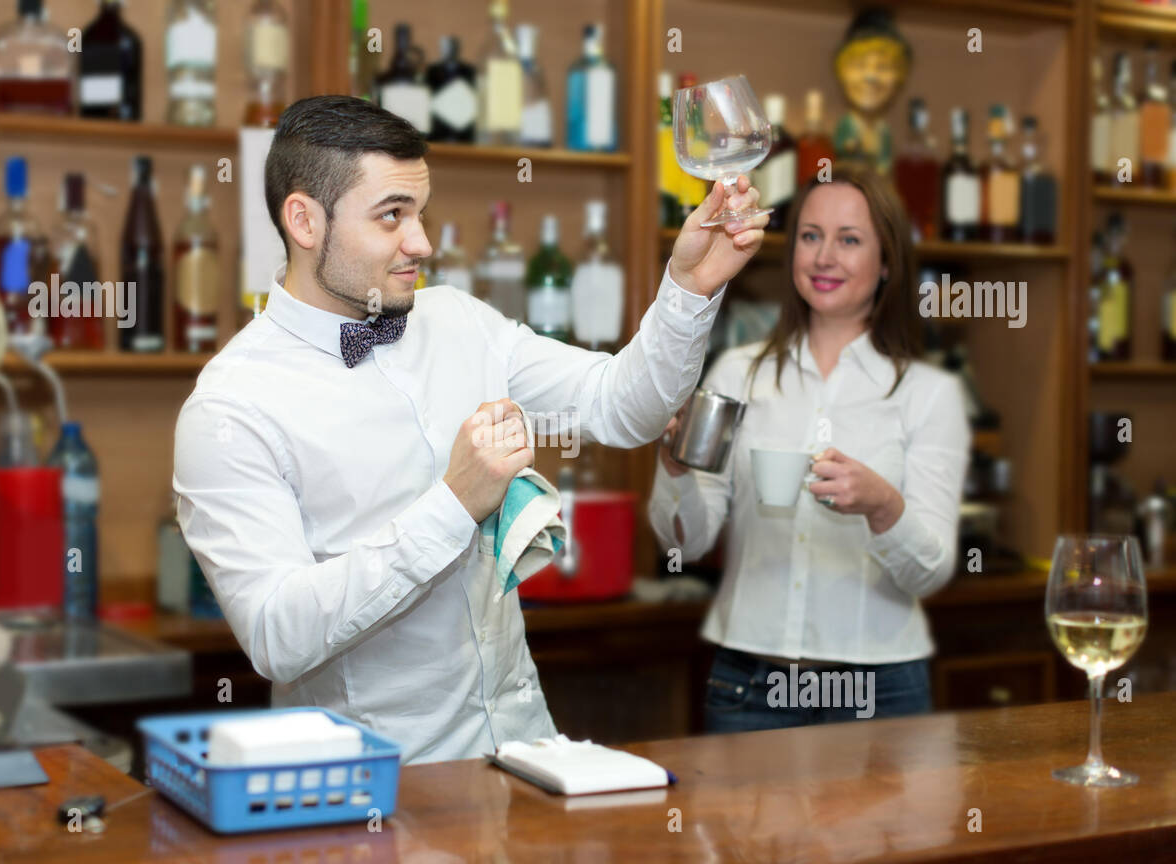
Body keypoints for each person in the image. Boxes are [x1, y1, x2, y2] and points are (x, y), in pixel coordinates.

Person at [172, 95, 768, 763]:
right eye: (391, 216)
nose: (422, 243)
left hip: (528, 757)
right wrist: (455, 504)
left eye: (420, 213)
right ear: (304, 220)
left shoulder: (457, 320)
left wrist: (687, 288)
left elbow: (623, 407)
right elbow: (277, 634)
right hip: (379, 788)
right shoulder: (230, 409)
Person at [649, 163, 970, 733]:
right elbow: (687, 543)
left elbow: (932, 573)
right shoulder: (736, 373)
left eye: (849, 240)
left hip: (882, 692)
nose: (825, 257)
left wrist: (883, 506)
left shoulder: (930, 395)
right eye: (810, 236)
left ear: (888, 262)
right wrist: (675, 468)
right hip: (749, 687)